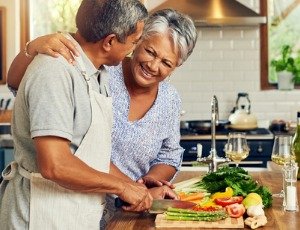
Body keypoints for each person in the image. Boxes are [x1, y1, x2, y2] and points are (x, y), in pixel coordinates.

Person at [6, 8, 198, 227]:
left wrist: (138, 189)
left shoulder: (99, 74)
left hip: (92, 207)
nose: (153, 66)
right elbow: (57, 164)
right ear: (111, 41)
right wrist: (31, 47)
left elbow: (94, 154)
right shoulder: (73, 69)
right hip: (42, 209)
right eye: (144, 48)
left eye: (167, 63)